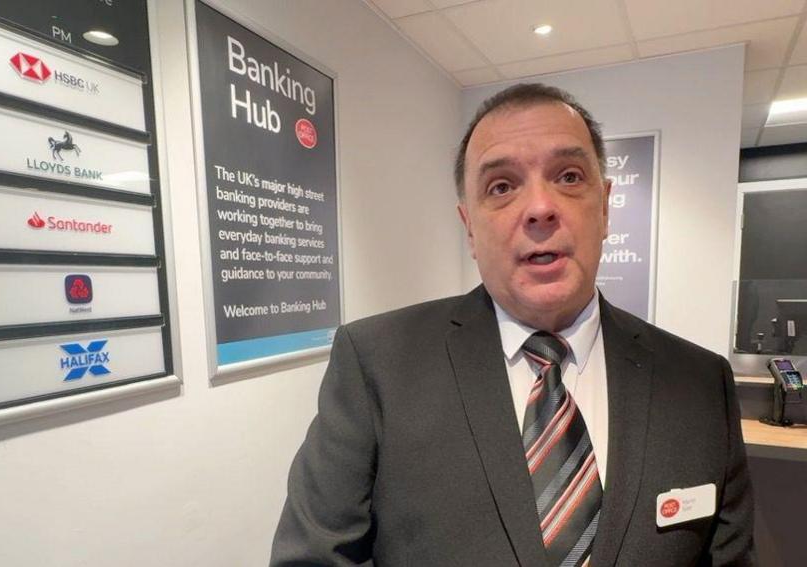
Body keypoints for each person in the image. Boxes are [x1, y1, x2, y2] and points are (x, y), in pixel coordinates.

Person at [270, 83, 754, 566]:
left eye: (568, 176)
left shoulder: (701, 383)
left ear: (605, 207)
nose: (541, 208)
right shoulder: (376, 363)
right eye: (501, 187)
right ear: (470, 228)